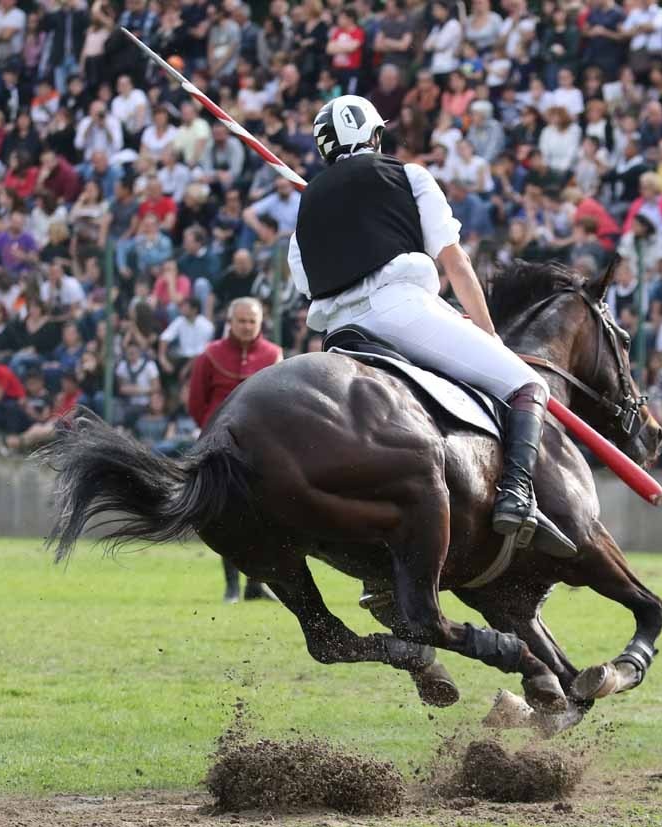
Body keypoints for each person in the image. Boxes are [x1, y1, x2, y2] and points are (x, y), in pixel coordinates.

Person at [288, 95, 576, 556]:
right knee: (525, 383)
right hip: (401, 311)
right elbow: (456, 264)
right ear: (376, 136)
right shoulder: (409, 174)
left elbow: (304, 281)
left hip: (339, 335)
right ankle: (516, 496)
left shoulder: (305, 207)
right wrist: (490, 335)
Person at [188, 297, 281, 604]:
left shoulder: (273, 354)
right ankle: (231, 586)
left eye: (251, 321)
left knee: (264, 518)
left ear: (259, 323)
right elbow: (196, 402)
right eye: (241, 320)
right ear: (230, 321)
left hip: (261, 448)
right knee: (227, 518)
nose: (246, 326)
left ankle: (256, 585)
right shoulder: (210, 355)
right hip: (219, 450)